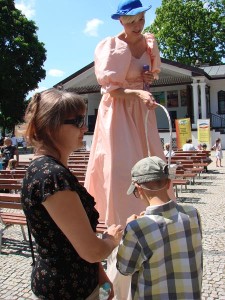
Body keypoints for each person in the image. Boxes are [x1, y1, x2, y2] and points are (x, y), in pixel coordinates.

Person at [21, 89, 123, 300]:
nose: (85, 127)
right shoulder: (53, 176)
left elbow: (71, 240)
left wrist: (100, 276)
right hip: (68, 290)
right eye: (77, 121)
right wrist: (111, 240)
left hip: (74, 283)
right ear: (51, 126)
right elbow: (91, 251)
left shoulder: (45, 170)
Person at [85, 0, 175, 228]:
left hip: (141, 108)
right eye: (132, 21)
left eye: (141, 19)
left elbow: (149, 75)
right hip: (118, 110)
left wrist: (146, 81)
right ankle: (121, 222)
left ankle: (153, 215)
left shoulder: (149, 43)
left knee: (150, 159)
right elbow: (111, 90)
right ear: (122, 21)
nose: (138, 25)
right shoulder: (113, 46)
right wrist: (137, 93)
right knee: (121, 166)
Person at [117, 156, 203, 299]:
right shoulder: (192, 213)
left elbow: (124, 268)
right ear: (169, 183)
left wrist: (126, 232)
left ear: (138, 188)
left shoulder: (137, 228)